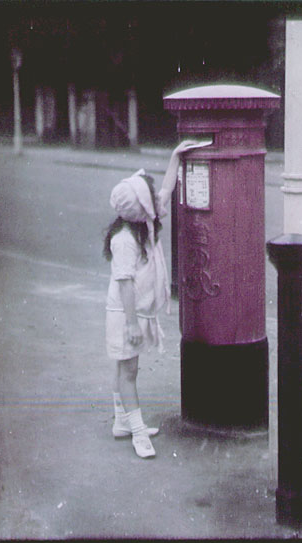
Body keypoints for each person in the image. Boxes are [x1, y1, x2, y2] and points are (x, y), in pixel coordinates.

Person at [103, 140, 200, 458]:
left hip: (135, 312)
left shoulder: (143, 225)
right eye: (148, 190)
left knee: (126, 367)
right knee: (129, 372)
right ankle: (138, 432)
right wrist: (131, 324)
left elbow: (166, 194)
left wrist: (174, 156)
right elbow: (125, 283)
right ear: (140, 206)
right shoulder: (125, 241)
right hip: (126, 313)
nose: (154, 192)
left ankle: (121, 421)